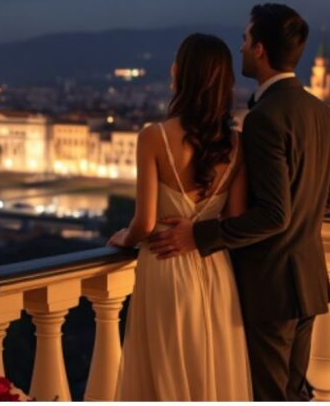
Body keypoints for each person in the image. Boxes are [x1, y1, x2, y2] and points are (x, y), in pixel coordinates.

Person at [147, 3, 330, 401]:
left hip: (270, 287)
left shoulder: (264, 118)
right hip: (307, 282)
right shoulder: (322, 113)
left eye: (245, 40)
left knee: (269, 396)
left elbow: (273, 214)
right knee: (292, 394)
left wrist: (199, 235)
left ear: (260, 50)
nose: (240, 48)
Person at [108, 33, 252, 401]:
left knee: (165, 372)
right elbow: (235, 219)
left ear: (183, 74)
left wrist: (124, 237)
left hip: (166, 267)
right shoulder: (237, 144)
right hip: (216, 268)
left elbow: (144, 223)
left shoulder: (153, 137)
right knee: (211, 371)